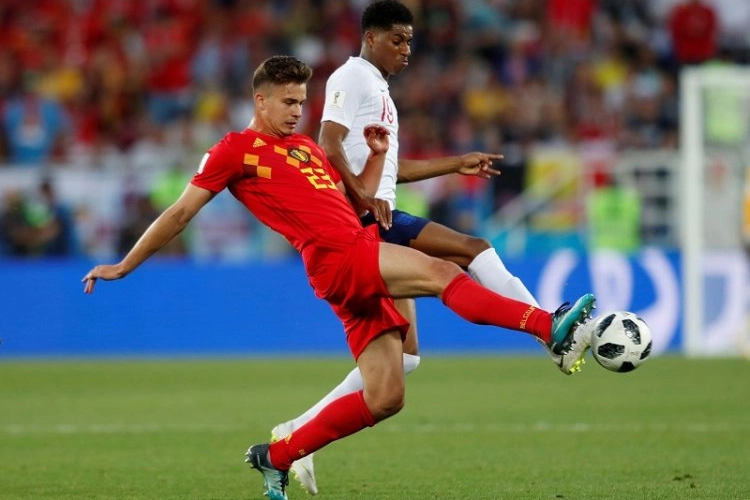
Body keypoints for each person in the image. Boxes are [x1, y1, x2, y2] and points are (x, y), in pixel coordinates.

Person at [81, 55, 595, 500]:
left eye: (301, 102)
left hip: (355, 248)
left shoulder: (305, 149)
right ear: (260, 101)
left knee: (387, 395)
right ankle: (547, 326)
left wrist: (374, 159)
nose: (296, 112)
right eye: (286, 102)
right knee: (444, 271)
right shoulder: (234, 151)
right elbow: (179, 213)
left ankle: (277, 454)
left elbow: (357, 201)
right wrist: (125, 264)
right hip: (335, 256)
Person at [271, 2, 592, 494]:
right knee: (470, 249)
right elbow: (328, 142)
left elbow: (390, 169)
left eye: (410, 41)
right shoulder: (351, 77)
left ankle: (296, 433)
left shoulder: (377, 88)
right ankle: (547, 329)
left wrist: (454, 164)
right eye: (397, 39)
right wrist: (362, 195)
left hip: (379, 212)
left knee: (406, 360)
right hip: (362, 221)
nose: (406, 50)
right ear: (371, 37)